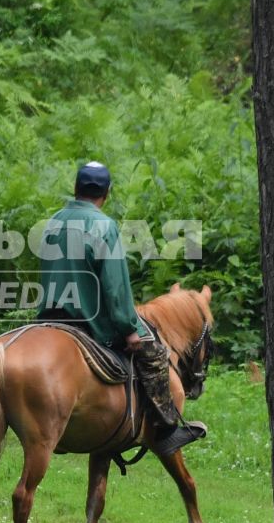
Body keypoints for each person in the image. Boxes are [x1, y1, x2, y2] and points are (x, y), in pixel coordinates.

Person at [36, 162, 205, 457]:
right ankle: (166, 429)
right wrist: (129, 328)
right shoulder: (104, 226)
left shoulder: (53, 221)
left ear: (76, 188)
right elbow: (115, 288)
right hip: (89, 323)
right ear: (107, 193)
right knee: (155, 355)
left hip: (48, 319)